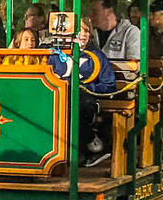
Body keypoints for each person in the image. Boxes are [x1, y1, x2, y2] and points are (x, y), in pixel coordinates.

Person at [47, 17, 117, 164]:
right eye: (79, 31)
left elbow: (109, 85)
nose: (83, 35)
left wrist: (88, 88)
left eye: (86, 31)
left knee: (77, 104)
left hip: (85, 98)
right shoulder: (56, 56)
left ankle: (88, 146)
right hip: (58, 97)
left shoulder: (97, 56)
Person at [88, 0, 140, 82]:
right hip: (93, 84)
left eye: (94, 11)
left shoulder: (130, 32)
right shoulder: (88, 33)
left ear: (109, 11)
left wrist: (102, 66)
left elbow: (135, 66)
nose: (91, 16)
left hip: (122, 88)